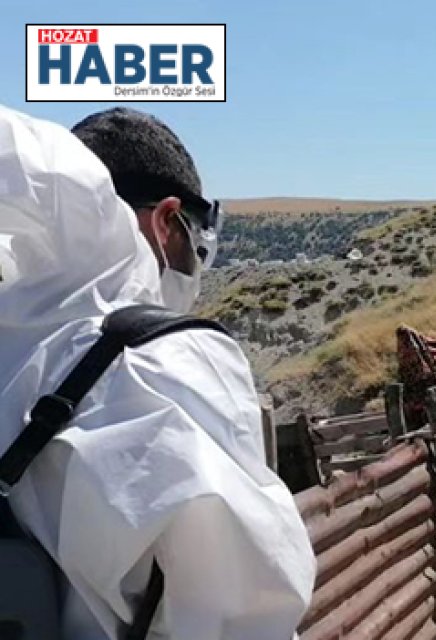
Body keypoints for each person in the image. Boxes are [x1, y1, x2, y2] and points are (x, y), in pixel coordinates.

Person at [0, 105, 315, 639]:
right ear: (167, 221)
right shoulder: (161, 360)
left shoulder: (16, 346)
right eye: (199, 245)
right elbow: (239, 616)